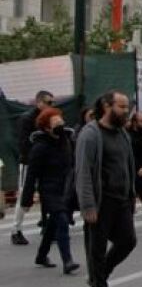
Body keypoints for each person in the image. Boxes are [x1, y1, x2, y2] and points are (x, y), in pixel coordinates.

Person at [75, 91, 138, 287]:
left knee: (128, 241)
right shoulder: (90, 135)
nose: (126, 111)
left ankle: (98, 275)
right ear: (106, 106)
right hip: (102, 201)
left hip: (121, 199)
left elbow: (127, 166)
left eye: (127, 107)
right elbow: (83, 171)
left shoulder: (122, 134)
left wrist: (131, 195)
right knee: (97, 249)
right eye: (121, 107)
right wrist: (88, 205)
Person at [23, 107, 80, 274]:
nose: (60, 124)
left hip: (65, 189)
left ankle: (41, 255)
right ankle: (67, 261)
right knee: (62, 220)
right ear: (47, 128)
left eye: (61, 121)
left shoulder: (67, 141)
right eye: (56, 123)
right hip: (49, 190)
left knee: (53, 223)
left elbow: (73, 164)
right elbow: (31, 175)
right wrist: (27, 199)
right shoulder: (40, 147)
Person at [13, 90, 54, 246]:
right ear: (39, 102)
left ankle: (45, 224)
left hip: (43, 162)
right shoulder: (27, 119)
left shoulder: (48, 117)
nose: (51, 105)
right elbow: (24, 144)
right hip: (29, 163)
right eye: (48, 102)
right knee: (24, 195)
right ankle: (16, 230)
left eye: (52, 103)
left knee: (47, 193)